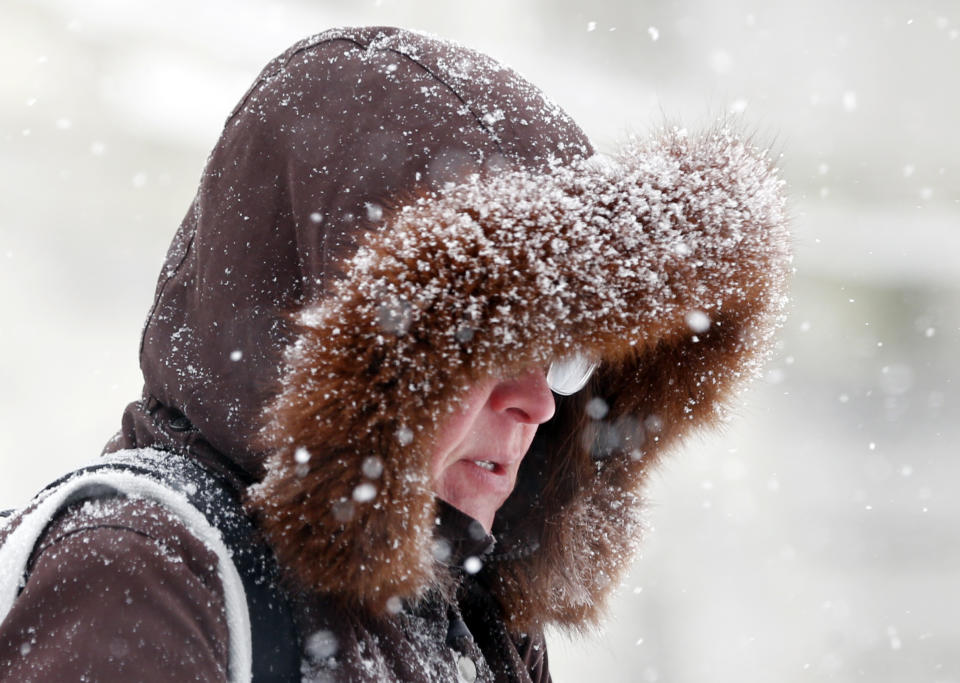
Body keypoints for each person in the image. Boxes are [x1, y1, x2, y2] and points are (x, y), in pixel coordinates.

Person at [0, 26, 790, 682]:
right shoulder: (147, 571)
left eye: (563, 355)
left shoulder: (472, 613)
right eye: (484, 342)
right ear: (329, 350)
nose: (539, 402)